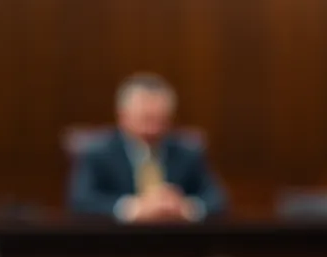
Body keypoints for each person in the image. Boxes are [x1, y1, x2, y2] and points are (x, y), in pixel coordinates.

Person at [67, 74, 227, 221]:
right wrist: (132, 207)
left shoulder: (188, 151)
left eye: (160, 120)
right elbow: (80, 201)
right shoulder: (97, 152)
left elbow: (218, 200)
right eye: (146, 119)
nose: (152, 129)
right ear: (123, 116)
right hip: (116, 245)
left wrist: (186, 207)